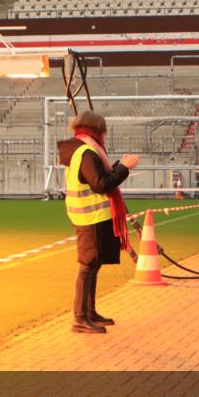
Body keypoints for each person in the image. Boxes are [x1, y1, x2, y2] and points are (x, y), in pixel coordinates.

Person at [57, 111, 139, 334]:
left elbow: (97, 177)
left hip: (88, 216)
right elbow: (101, 183)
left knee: (93, 265)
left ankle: (88, 313)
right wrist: (123, 168)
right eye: (103, 130)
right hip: (90, 217)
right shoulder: (87, 152)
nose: (105, 135)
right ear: (96, 130)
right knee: (87, 266)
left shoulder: (81, 149)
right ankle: (80, 318)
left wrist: (118, 165)